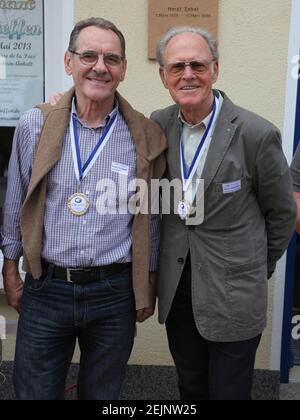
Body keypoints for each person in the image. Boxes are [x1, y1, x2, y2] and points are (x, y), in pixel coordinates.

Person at [0, 17, 166, 400]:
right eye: (88, 55)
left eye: (111, 58)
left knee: (102, 394)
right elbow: (15, 202)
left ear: (123, 69)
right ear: (68, 62)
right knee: (34, 392)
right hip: (46, 286)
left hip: (114, 292)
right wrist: (11, 269)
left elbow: (152, 217)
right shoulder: (34, 125)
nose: (100, 66)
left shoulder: (144, 135)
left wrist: (149, 281)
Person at [151, 26, 296, 400]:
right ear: (163, 75)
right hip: (178, 288)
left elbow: (281, 214)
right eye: (177, 66)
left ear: (214, 69)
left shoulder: (255, 133)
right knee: (190, 386)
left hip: (234, 293)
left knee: (229, 392)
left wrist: (251, 266)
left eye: (197, 64)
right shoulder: (158, 124)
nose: (188, 74)